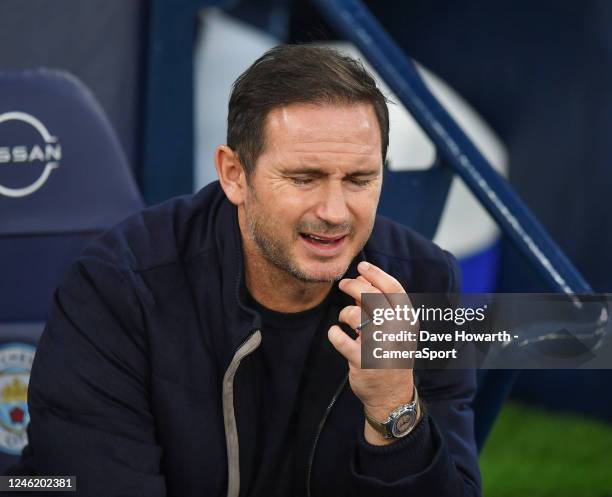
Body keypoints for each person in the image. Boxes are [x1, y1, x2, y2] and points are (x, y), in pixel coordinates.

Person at [11, 45, 480, 496]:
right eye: (303, 178)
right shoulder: (120, 287)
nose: (335, 212)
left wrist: (394, 410)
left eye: (360, 179)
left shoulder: (425, 284)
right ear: (234, 174)